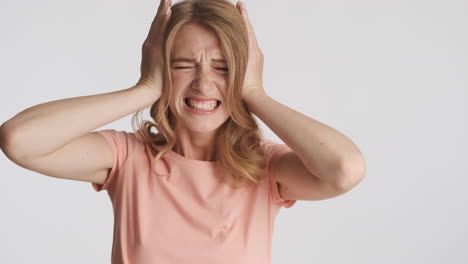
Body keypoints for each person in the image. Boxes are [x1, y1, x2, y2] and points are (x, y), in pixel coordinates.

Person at [0, 0, 366, 263]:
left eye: (222, 68)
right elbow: (19, 139)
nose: (203, 84)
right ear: (162, 70)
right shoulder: (127, 157)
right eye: (183, 65)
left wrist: (255, 93)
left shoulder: (266, 168)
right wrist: (143, 88)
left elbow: (345, 169)